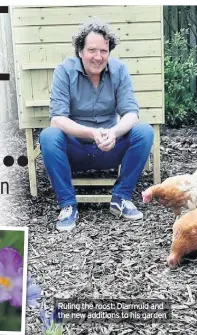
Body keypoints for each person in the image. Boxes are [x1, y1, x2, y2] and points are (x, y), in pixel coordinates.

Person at [39, 20, 154, 232]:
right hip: (75, 149)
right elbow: (57, 119)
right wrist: (92, 133)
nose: (98, 57)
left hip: (109, 147)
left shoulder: (120, 70)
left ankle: (122, 197)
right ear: (80, 51)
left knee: (144, 131)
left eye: (104, 50)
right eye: (92, 50)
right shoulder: (64, 71)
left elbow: (131, 113)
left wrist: (114, 132)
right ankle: (67, 205)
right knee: (49, 135)